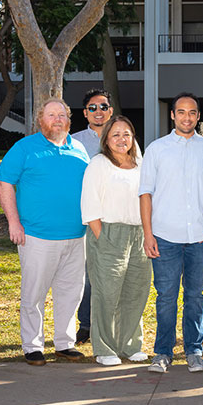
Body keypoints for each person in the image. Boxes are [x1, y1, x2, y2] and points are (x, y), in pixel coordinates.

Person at [0, 99, 90, 366]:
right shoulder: (24, 148)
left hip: (76, 235)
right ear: (40, 119)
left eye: (62, 114)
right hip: (37, 236)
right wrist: (14, 223)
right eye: (51, 115)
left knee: (71, 293)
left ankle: (64, 343)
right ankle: (33, 346)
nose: (57, 119)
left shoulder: (80, 149)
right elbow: (5, 184)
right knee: (34, 294)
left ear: (69, 119)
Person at [139, 92, 203, 373]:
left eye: (192, 112)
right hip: (165, 235)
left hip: (201, 235)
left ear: (198, 116)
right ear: (172, 115)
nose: (187, 117)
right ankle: (162, 352)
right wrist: (148, 234)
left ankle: (194, 350)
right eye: (181, 112)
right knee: (165, 297)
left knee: (195, 295)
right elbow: (146, 194)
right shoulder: (156, 149)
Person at [80, 116, 151, 366]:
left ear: (133, 138)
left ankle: (130, 345)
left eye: (127, 134)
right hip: (108, 233)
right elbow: (89, 206)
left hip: (140, 235)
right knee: (106, 294)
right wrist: (103, 239)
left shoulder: (141, 165)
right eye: (116, 135)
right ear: (107, 140)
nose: (122, 139)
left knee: (135, 292)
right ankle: (105, 348)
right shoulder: (98, 164)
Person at [71, 89, 114, 345]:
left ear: (110, 110)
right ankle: (85, 325)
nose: (99, 112)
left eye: (103, 106)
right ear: (85, 112)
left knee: (112, 272)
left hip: (116, 216)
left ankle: (110, 325)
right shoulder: (74, 142)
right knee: (86, 275)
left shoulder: (122, 138)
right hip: (85, 218)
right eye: (92, 107)